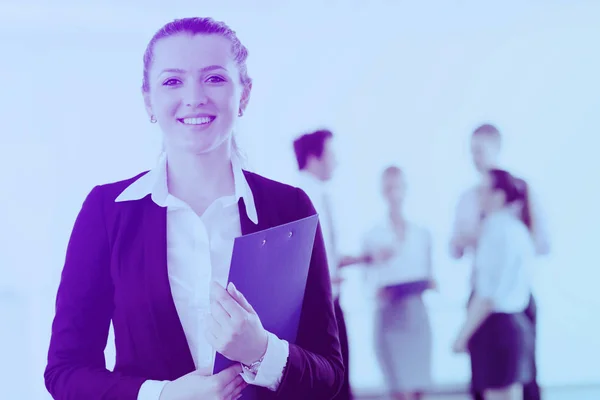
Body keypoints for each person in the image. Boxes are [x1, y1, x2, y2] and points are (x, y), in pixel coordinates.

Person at [44, 17, 344, 400]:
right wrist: (164, 395)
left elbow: (330, 375)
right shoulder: (107, 212)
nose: (195, 97)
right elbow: (65, 373)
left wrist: (262, 352)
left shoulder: (290, 208)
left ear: (245, 94)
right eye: (172, 81)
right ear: (149, 99)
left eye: (215, 78)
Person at [449, 123, 550, 400]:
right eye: (471, 152)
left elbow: (490, 293)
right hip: (495, 307)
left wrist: (461, 336)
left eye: (479, 150)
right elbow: (455, 249)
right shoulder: (488, 215)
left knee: (512, 385)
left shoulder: (503, 224)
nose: (475, 157)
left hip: (497, 311)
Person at [293, 129, 369, 400]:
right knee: (333, 385)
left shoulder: (321, 195)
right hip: (316, 308)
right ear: (315, 157)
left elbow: (326, 257)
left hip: (331, 303)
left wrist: (365, 258)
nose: (337, 162)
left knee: (341, 381)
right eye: (332, 155)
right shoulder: (298, 197)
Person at [361, 166, 434, 400]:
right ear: (382, 191)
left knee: (418, 388)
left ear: (406, 189)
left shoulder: (422, 233)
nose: (394, 194)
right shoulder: (372, 235)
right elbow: (367, 285)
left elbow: (431, 276)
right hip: (389, 316)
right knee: (399, 390)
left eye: (398, 187)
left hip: (417, 315)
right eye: (389, 188)